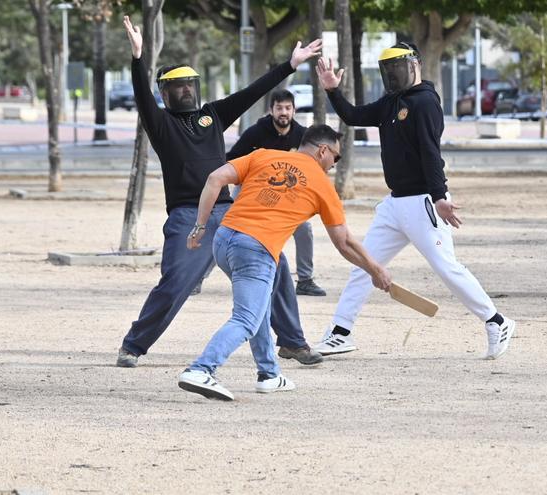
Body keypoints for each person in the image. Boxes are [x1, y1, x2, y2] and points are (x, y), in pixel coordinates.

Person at [115, 16, 324, 368]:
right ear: (165, 93)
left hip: (230, 212)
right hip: (187, 216)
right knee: (175, 282)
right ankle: (134, 345)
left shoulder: (212, 116)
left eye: (189, 85)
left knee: (275, 263)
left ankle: (291, 342)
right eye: (177, 86)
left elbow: (252, 92)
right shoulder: (161, 124)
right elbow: (141, 96)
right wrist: (138, 57)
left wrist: (290, 65)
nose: (185, 91)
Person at [311, 43, 517, 359]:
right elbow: (352, 116)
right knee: (364, 265)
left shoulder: (425, 103)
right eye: (387, 71)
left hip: (424, 202)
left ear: (415, 65)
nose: (393, 76)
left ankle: (497, 321)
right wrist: (333, 91)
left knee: (447, 268)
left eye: (397, 68)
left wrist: (439, 197)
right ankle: (340, 332)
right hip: (394, 205)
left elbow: (430, 152)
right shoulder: (392, 102)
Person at [178, 125, 391, 401]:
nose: (334, 165)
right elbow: (345, 242)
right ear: (323, 150)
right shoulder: (323, 186)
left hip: (223, 240)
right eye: (335, 158)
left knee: (259, 309)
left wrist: (199, 227)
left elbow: (215, 178)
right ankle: (201, 369)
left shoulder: (264, 156)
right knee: (246, 318)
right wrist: (375, 269)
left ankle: (269, 374)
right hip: (256, 249)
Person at [226, 89, 327, 297]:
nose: (284, 112)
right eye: (279, 108)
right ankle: (198, 278)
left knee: (304, 228)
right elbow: (231, 159)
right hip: (253, 191)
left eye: (288, 108)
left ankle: (305, 280)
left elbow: (314, 167)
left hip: (287, 194)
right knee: (226, 224)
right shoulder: (255, 133)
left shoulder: (303, 136)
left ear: (294, 110)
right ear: (271, 110)